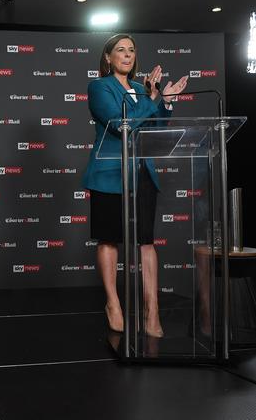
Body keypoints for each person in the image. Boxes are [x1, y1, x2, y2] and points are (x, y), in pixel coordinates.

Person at [82, 34, 188, 337]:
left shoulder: (143, 90)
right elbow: (120, 124)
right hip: (110, 173)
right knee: (108, 238)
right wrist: (152, 100)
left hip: (142, 172)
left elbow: (154, 130)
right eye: (120, 50)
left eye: (131, 51)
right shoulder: (99, 87)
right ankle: (113, 303)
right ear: (108, 58)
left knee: (146, 241)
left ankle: (151, 310)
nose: (127, 55)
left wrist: (164, 102)